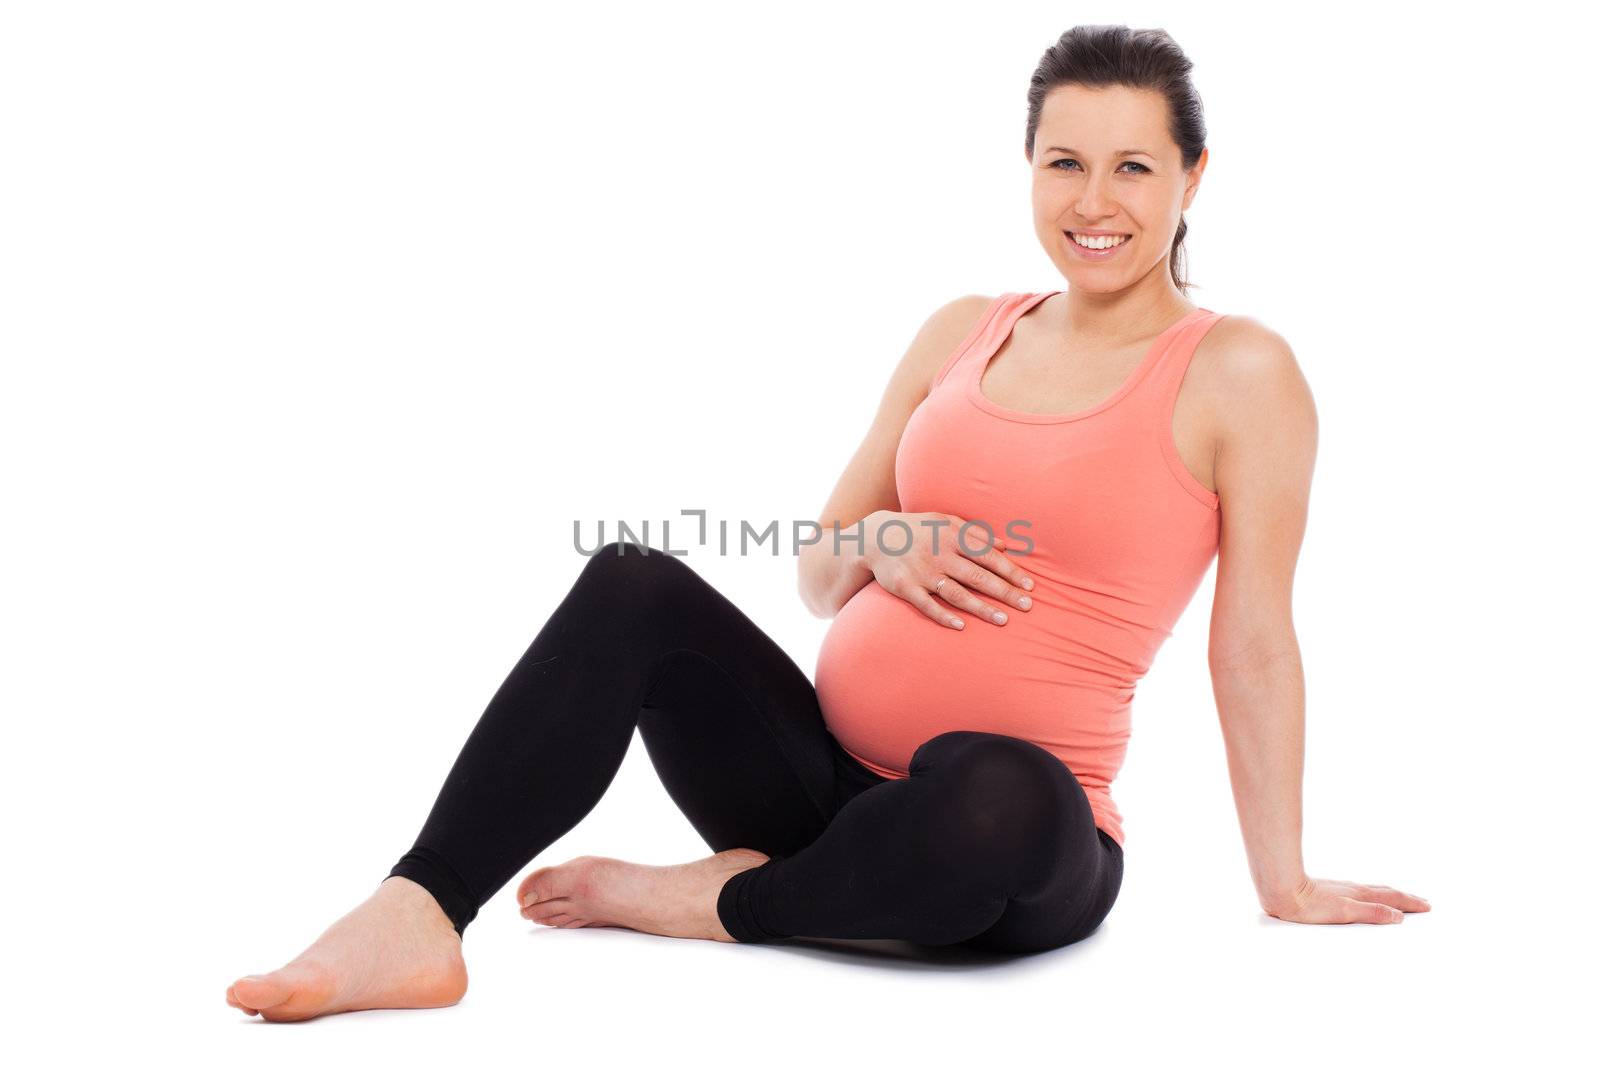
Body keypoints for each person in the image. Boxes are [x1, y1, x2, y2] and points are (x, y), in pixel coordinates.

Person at [225, 24, 1429, 1023]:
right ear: (1028, 170)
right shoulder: (965, 325)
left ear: (1192, 178)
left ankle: (712, 902)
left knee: (996, 786)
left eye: (1132, 167)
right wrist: (877, 542)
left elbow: (1255, 636)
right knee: (633, 580)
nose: (1094, 201)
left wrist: (1285, 880)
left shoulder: (1236, 371)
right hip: (813, 789)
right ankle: (420, 909)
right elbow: (814, 573)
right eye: (1063, 163)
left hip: (1011, 841)